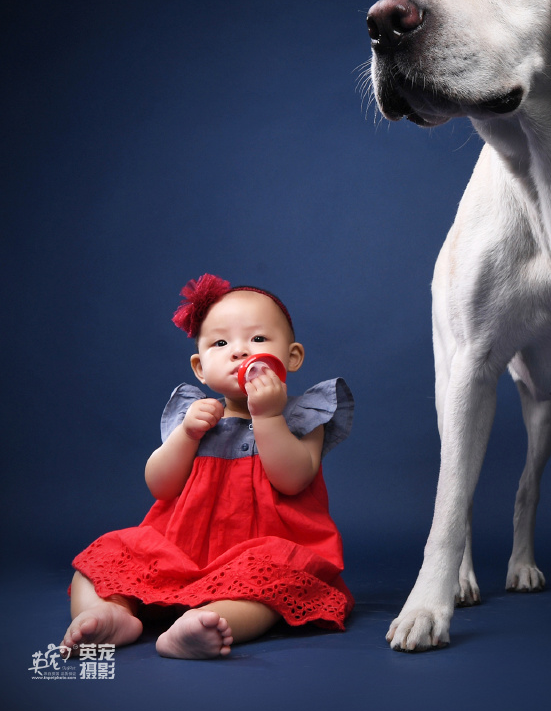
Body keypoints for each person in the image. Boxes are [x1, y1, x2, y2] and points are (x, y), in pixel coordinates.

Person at [63, 274, 354, 659]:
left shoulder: (301, 417)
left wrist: (267, 418)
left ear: (292, 357)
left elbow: (294, 480)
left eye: (258, 339)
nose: (239, 351)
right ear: (200, 367)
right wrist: (186, 436)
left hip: (257, 557)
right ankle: (111, 613)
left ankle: (207, 623)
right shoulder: (193, 417)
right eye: (221, 343)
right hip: (178, 553)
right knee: (102, 558)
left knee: (268, 585)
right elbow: (160, 486)